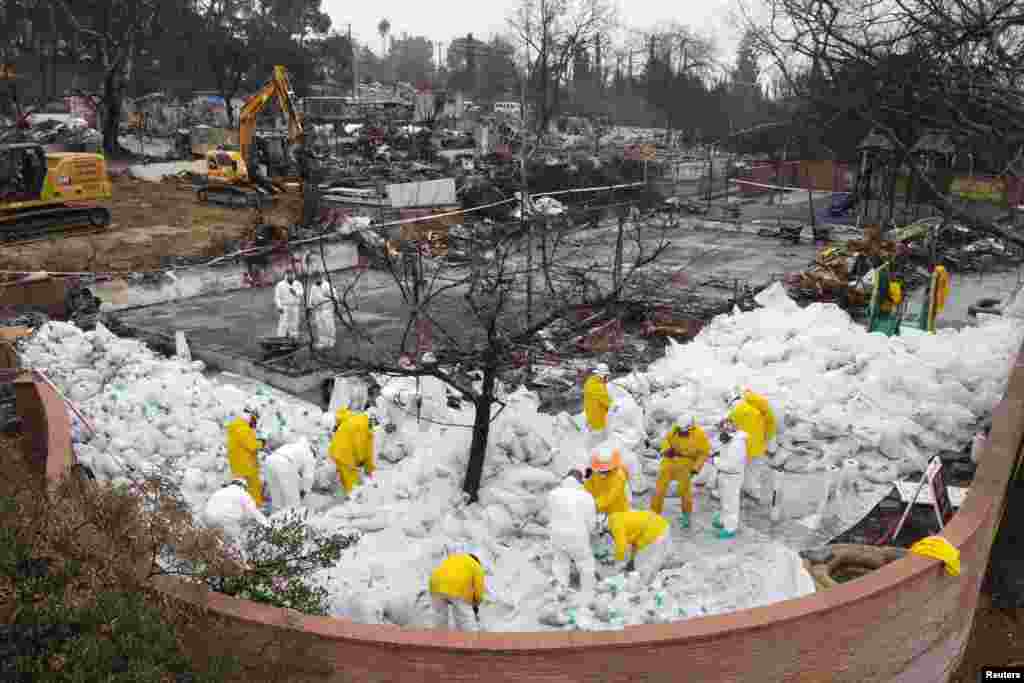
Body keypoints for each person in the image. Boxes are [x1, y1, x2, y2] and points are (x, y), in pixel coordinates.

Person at [547, 466, 598, 598]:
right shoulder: (587, 497)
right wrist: (591, 534)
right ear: (581, 482)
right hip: (577, 536)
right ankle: (587, 594)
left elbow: (550, 515)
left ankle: (559, 594)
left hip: (556, 535)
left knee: (560, 563)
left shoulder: (553, 494)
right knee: (585, 564)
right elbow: (591, 524)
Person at [651, 418, 710, 529]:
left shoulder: (700, 435)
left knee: (685, 491)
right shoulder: (674, 429)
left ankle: (686, 516)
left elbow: (704, 453)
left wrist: (696, 468)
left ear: (690, 427)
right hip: (670, 460)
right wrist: (666, 450)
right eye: (680, 429)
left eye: (683, 430)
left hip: (686, 463)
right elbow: (666, 440)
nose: (681, 432)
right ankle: (654, 515)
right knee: (659, 489)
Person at [606, 509, 671, 585]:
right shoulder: (616, 518)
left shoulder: (615, 526)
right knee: (646, 563)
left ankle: (645, 587)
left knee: (644, 568)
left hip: (655, 532)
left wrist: (617, 565)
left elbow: (621, 547)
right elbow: (635, 543)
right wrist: (632, 559)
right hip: (660, 525)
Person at [202, 478, 270, 549]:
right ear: (243, 486)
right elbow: (253, 511)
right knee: (238, 542)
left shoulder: (219, 491)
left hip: (208, 520)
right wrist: (267, 524)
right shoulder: (242, 493)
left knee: (219, 543)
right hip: (226, 521)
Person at [712, 415, 749, 540]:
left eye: (722, 430)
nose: (721, 433)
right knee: (723, 500)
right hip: (724, 475)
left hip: (732, 477)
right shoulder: (730, 440)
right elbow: (723, 449)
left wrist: (715, 461)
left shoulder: (737, 444)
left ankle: (730, 528)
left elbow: (732, 466)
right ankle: (723, 519)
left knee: (730, 503)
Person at [429, 552, 485, 631]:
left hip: (435, 584)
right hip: (456, 586)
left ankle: (438, 640)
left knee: (439, 619)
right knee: (465, 620)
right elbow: (479, 590)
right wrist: (475, 604)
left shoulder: (454, 559)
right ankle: (471, 640)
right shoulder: (476, 566)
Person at [328, 408, 376, 496]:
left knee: (339, 474)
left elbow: (340, 414)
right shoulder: (366, 428)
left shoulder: (356, 416)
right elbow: (366, 451)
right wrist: (369, 469)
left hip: (334, 448)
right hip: (344, 455)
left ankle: (338, 488)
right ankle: (350, 498)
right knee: (352, 485)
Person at [263, 437, 317, 511]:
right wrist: (304, 491)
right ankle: (290, 519)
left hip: (269, 461)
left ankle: (275, 518)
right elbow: (308, 477)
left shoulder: (293, 446)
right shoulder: (310, 455)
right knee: (293, 502)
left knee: (277, 499)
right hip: (284, 464)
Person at [226, 406, 265, 507]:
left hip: (239, 462)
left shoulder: (236, 425)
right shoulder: (243, 428)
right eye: (254, 420)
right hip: (246, 464)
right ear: (250, 417)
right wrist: (261, 443)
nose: (254, 424)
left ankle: (245, 507)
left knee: (243, 488)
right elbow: (252, 445)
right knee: (254, 487)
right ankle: (255, 508)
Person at [584, 446, 630, 515]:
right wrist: (585, 497)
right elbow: (589, 485)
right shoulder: (596, 471)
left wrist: (594, 504)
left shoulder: (619, 476)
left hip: (617, 511)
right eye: (600, 470)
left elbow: (609, 496)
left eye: (604, 470)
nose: (601, 472)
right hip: (600, 508)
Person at [583, 363, 612, 444]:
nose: (607, 377)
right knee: (599, 443)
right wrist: (618, 406)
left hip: (595, 417)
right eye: (606, 375)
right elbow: (607, 401)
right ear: (602, 375)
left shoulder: (593, 382)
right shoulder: (596, 385)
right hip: (597, 420)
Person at [308, 273, 337, 350]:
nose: (316, 280)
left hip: (326, 309)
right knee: (320, 326)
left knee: (329, 326)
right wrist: (310, 306)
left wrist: (330, 303)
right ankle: (322, 342)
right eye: (314, 278)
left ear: (321, 277)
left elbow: (335, 297)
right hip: (318, 310)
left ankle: (331, 342)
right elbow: (311, 298)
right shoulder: (313, 287)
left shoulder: (327, 285)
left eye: (317, 277)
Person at [274, 271, 303, 339]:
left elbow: (301, 293)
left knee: (294, 322)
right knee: (283, 323)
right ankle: (281, 337)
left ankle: (293, 337)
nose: (290, 276)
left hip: (295, 306)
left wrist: (295, 292)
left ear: (294, 275)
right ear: (286, 275)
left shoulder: (298, 283)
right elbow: (277, 297)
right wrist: (279, 306)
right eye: (289, 275)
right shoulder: (280, 284)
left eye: (292, 275)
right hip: (285, 306)